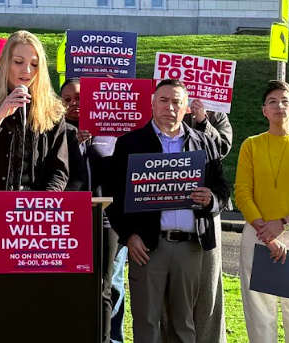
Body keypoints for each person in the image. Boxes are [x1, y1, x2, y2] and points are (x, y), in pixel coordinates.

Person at [107, 79, 230, 343]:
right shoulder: (130, 144)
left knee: (184, 324)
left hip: (190, 247)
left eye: (177, 102)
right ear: (152, 103)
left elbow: (222, 189)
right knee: (146, 321)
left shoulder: (204, 142)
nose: (170, 107)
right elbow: (115, 199)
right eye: (163, 100)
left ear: (186, 107)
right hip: (148, 248)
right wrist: (129, 236)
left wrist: (211, 200)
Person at [235, 80, 289, 343]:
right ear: (264, 110)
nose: (279, 106)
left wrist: (283, 224)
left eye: (285, 101)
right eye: (272, 102)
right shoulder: (251, 145)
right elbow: (242, 193)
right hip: (258, 235)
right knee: (259, 313)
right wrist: (266, 232)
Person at [0, 30, 68, 197]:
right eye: (18, 62)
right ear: (4, 63)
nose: (27, 70)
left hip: (33, 212)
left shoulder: (52, 109)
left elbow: (60, 170)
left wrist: (43, 203)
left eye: (35, 64)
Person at [161, 100, 234, 343]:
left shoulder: (217, 114)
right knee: (170, 300)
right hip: (166, 223)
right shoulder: (163, 110)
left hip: (203, 219)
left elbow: (222, 149)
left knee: (207, 296)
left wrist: (203, 121)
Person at [60, 77, 126, 343]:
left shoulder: (111, 132)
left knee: (105, 287)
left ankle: (106, 339)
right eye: (67, 100)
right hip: (68, 221)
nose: (74, 104)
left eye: (79, 98)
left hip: (107, 223)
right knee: (70, 287)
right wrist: (73, 144)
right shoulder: (55, 132)